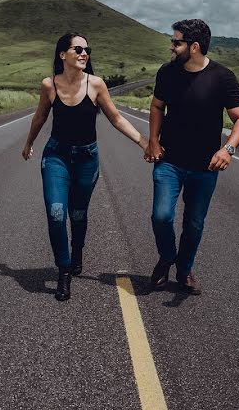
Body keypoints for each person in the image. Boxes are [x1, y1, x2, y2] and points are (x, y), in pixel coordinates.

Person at [23, 32, 148, 301]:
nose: (84, 53)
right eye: (77, 48)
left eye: (86, 49)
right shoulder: (49, 85)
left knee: (77, 214)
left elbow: (116, 119)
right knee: (57, 213)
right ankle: (64, 270)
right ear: (62, 55)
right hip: (56, 156)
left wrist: (143, 141)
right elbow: (40, 117)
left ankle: (76, 248)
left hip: (86, 159)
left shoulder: (96, 85)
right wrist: (28, 144)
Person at [143, 19, 239, 295]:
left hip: (205, 167)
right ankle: (167, 258)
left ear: (194, 47)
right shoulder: (167, 73)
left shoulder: (222, 77)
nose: (172, 46)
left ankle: (184, 270)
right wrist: (153, 141)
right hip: (169, 161)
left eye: (176, 42)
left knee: (194, 223)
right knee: (161, 215)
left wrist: (227, 149)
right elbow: (157, 107)